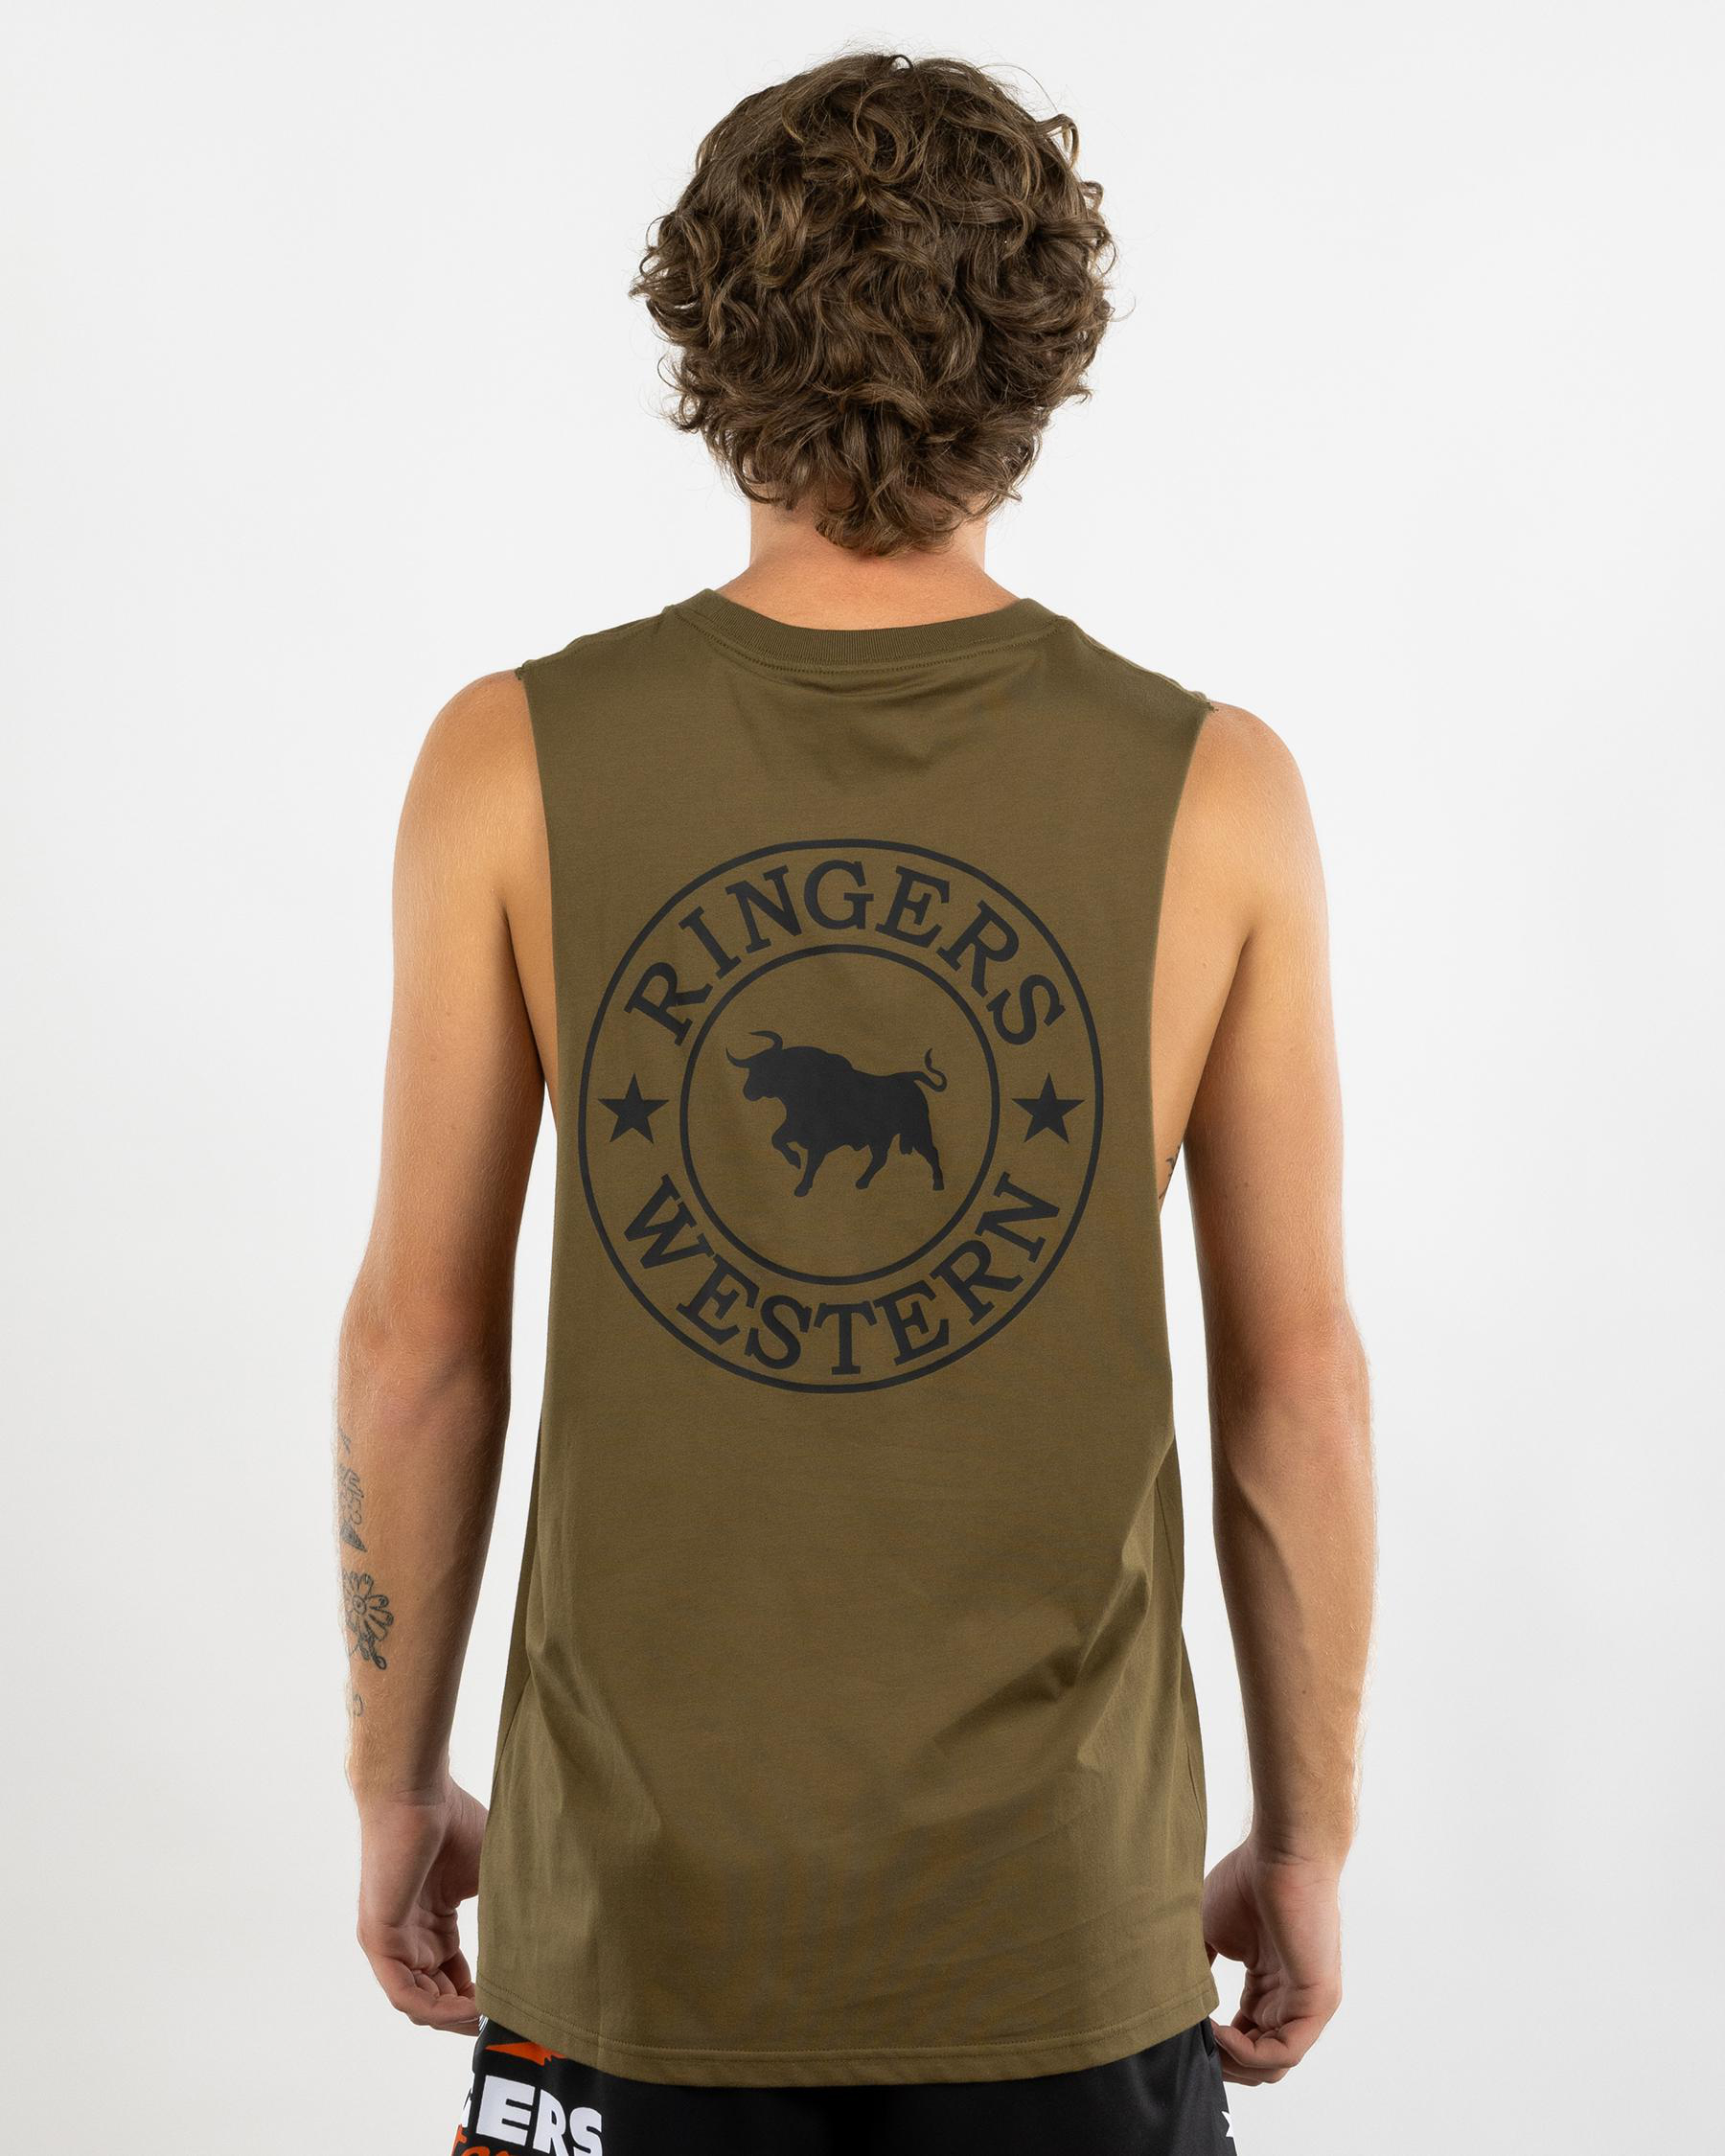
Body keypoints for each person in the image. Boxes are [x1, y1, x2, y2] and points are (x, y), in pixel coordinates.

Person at [336, 51, 1374, 2156]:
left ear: (707, 338)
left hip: (634, 1928)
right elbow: (1300, 1388)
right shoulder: (1217, 795)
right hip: (1063, 1930)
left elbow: (419, 1351)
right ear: (1045, 359)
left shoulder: (506, 762)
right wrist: (1308, 1838)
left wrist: (391, 1782)